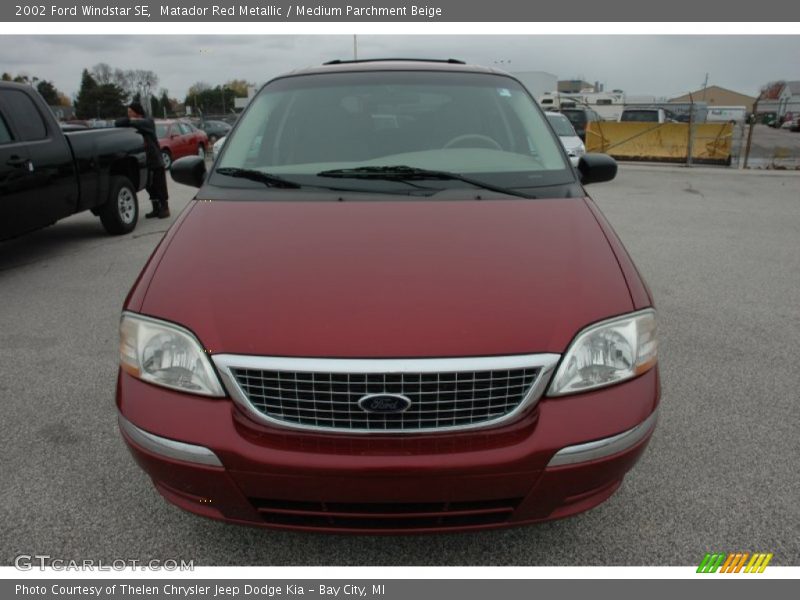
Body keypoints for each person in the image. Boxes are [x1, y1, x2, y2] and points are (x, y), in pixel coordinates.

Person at [115, 102, 170, 219]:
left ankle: (165, 208)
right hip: (145, 160)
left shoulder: (148, 122)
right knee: (150, 186)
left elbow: (134, 122)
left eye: (131, 112)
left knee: (159, 185)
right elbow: (118, 122)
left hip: (155, 159)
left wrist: (130, 121)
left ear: (137, 112)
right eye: (127, 112)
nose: (128, 115)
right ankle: (155, 208)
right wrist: (128, 120)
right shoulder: (134, 123)